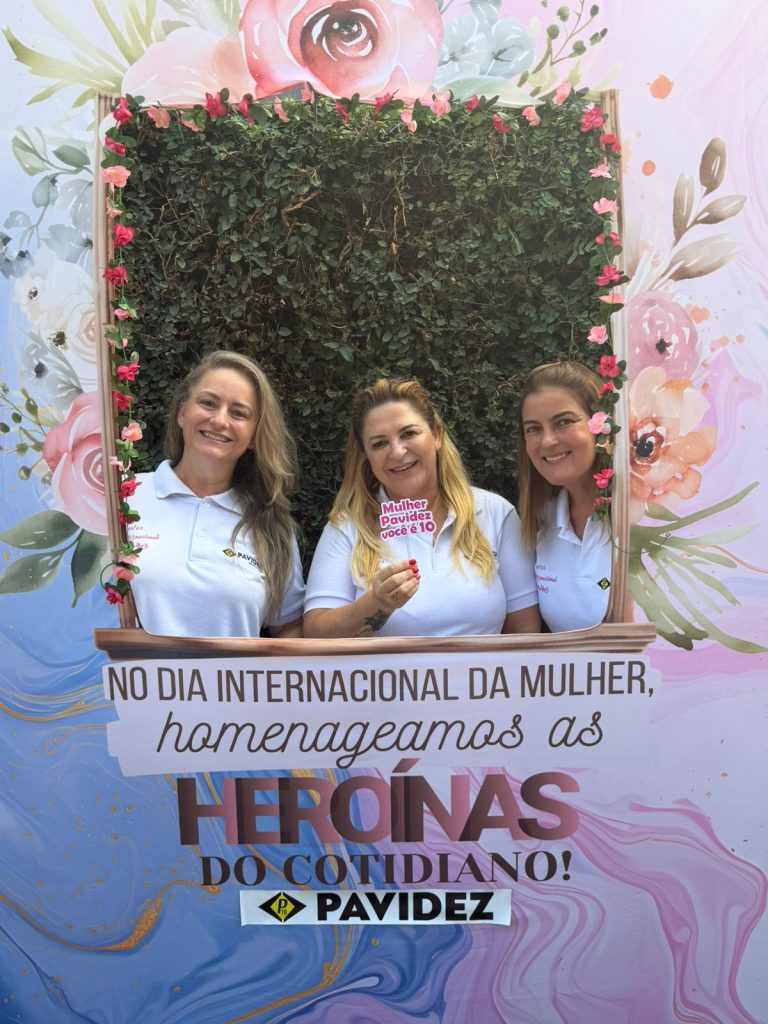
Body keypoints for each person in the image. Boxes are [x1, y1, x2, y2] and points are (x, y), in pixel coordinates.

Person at [304, 378, 540, 637]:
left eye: (408, 433)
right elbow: (316, 632)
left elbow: (525, 631)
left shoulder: (495, 513)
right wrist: (376, 603)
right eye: (379, 443)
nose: (397, 452)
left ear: (436, 435)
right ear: (366, 455)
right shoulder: (347, 527)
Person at [127, 351, 304, 637]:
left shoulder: (272, 526)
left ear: (253, 436)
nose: (220, 421)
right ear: (182, 413)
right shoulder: (124, 497)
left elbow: (290, 627)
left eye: (239, 413)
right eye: (208, 403)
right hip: (119, 669)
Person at [518, 361, 612, 632]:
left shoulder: (642, 516)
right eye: (533, 428)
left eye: (564, 422)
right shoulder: (539, 523)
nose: (548, 441)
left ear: (600, 425)